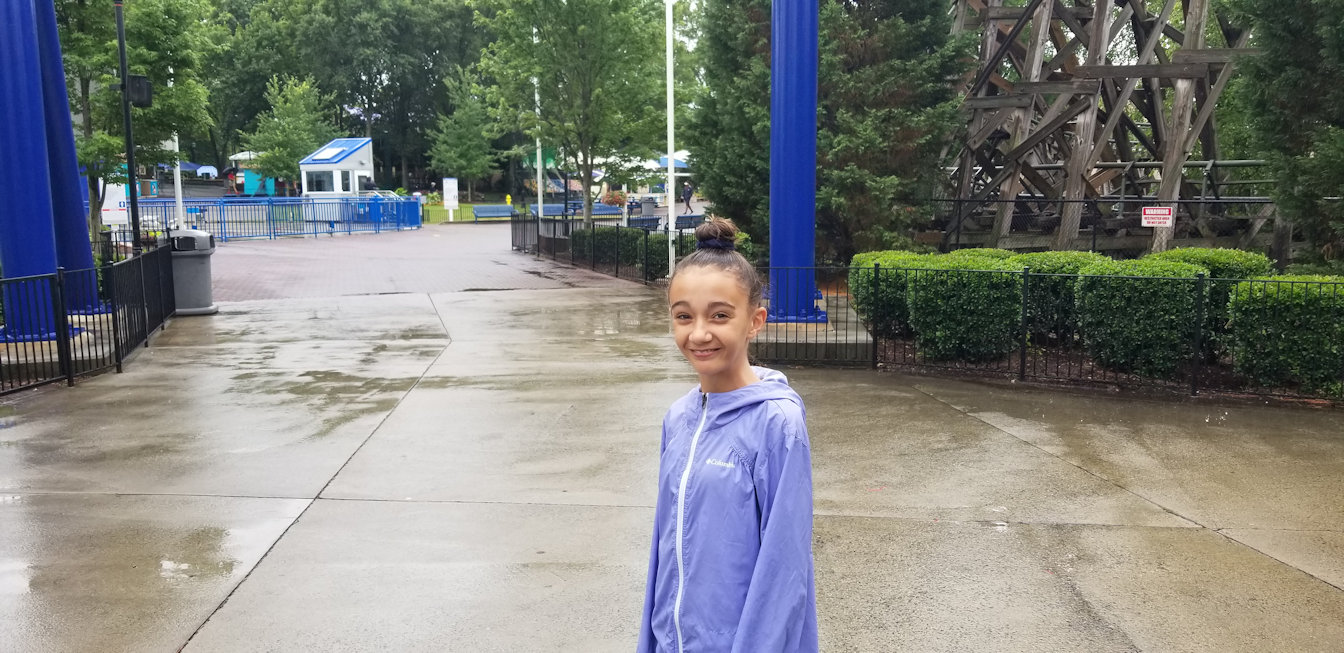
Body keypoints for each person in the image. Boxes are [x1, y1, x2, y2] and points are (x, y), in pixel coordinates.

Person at [639, 219, 818, 653]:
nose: (699, 333)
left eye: (719, 315)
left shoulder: (776, 423)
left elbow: (784, 568)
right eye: (684, 316)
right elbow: (665, 552)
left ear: (755, 320)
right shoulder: (678, 418)